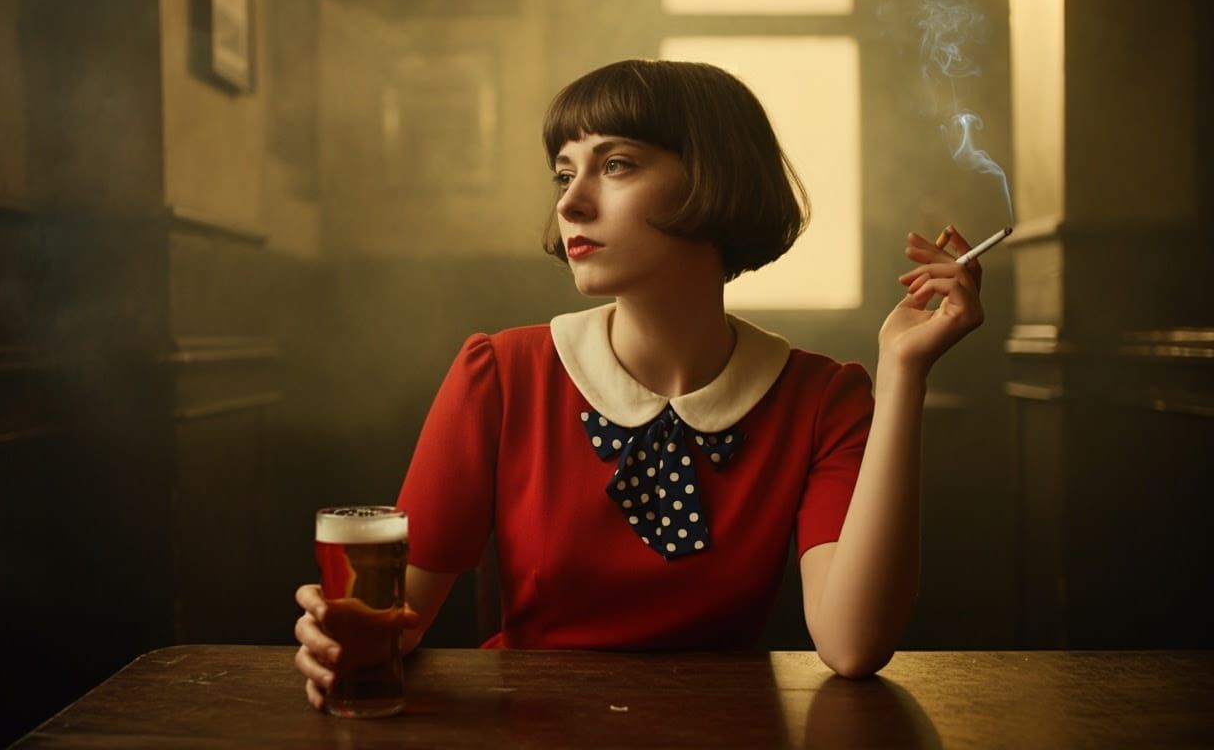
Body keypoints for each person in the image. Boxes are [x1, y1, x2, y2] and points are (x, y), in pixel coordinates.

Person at [294, 59, 986, 709]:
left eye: (616, 164)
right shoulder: (500, 374)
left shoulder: (820, 400)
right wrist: (336, 641)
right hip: (526, 732)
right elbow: (394, 626)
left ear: (716, 179)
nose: (572, 204)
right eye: (564, 175)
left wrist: (902, 374)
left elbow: (853, 645)